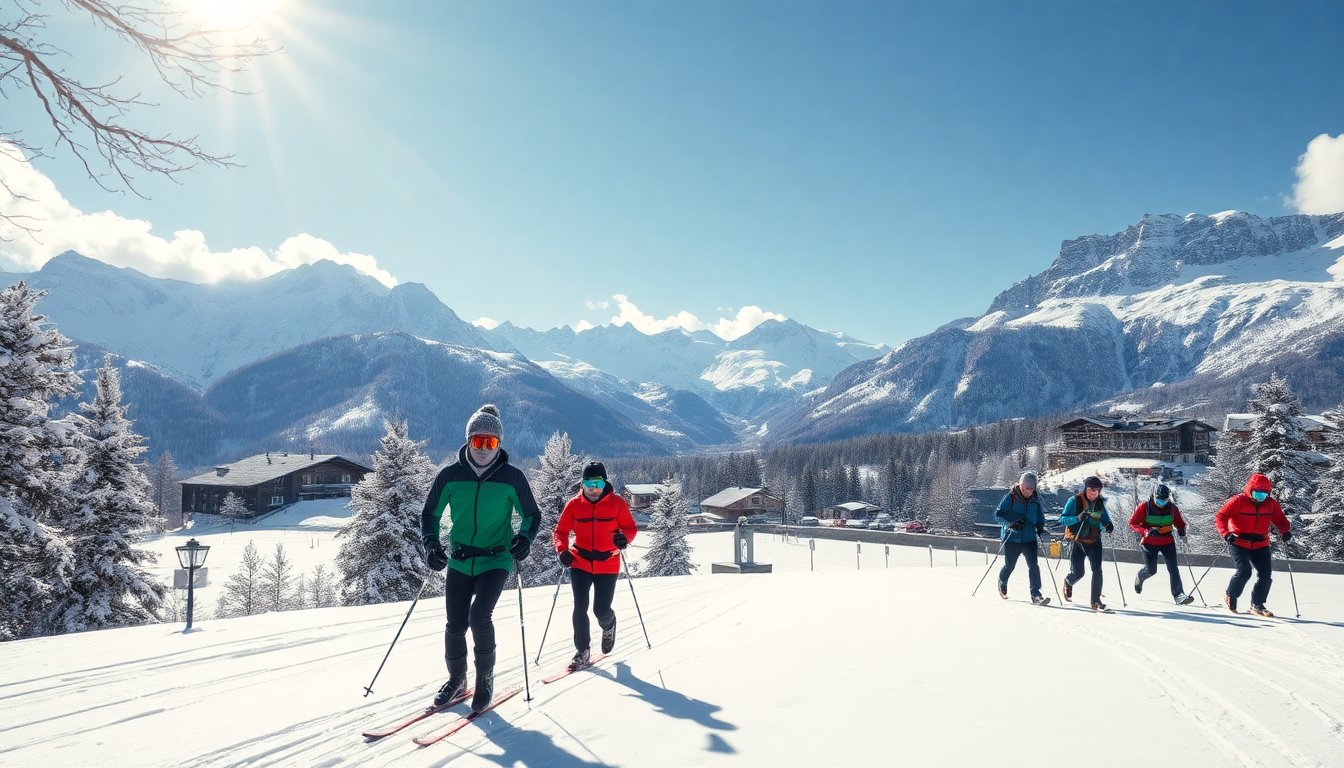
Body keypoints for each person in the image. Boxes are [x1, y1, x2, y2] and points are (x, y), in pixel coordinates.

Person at [421, 404, 540, 712]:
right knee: (455, 624)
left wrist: (524, 539)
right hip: (460, 560)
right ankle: (457, 679)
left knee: (479, 617)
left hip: (496, 560)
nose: (484, 449)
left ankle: (484, 679)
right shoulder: (450, 475)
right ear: (468, 441)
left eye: (491, 442)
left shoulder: (512, 478)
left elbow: (531, 514)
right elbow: (430, 514)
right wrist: (431, 544)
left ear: (499, 443)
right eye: (478, 441)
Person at [553, 461, 637, 670]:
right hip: (579, 561)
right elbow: (560, 532)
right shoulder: (573, 505)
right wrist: (562, 550)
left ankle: (609, 625)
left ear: (605, 483)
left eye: (598, 484)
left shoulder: (617, 503)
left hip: (607, 563)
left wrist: (623, 539)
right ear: (581, 484)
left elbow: (630, 528)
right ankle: (582, 651)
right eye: (588, 484)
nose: (593, 489)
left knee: (601, 609)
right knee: (579, 607)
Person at [1214, 473, 1292, 617]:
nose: (1260, 498)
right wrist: (1226, 533)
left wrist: (1285, 530)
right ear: (1250, 490)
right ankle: (1230, 595)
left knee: (1265, 575)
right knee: (1244, 571)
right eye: (1257, 494)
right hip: (1238, 541)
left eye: (1263, 495)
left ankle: (1257, 604)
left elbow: (1281, 520)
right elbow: (1220, 517)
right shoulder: (1238, 501)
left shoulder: (1271, 504)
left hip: (1260, 543)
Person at [1129, 483, 1194, 605]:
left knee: (1173, 568)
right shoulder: (1144, 507)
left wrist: (1182, 532)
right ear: (1153, 496)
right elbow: (1132, 523)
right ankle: (1140, 576)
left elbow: (1180, 523)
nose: (1161, 502)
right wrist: (1145, 531)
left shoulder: (1172, 508)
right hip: (1149, 542)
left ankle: (1178, 595)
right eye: (1158, 499)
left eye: (1164, 500)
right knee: (1151, 570)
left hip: (1167, 541)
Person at [1059, 475, 1115, 612]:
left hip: (1094, 540)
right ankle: (1068, 581)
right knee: (1079, 573)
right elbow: (1062, 519)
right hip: (1077, 540)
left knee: (1097, 570)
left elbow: (1105, 520)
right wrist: (1077, 518)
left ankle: (1096, 600)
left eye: (1097, 490)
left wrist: (1108, 525)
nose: (1094, 492)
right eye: (1091, 489)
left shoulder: (1100, 504)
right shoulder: (1074, 501)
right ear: (1085, 489)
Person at [993, 471, 1049, 605]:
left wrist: (1040, 526)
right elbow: (998, 515)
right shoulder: (1010, 497)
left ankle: (1036, 594)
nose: (1028, 491)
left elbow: (1039, 515)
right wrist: (1010, 524)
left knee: (1033, 566)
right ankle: (1002, 581)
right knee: (1010, 565)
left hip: (1029, 537)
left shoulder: (1035, 499)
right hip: (1012, 538)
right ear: (1021, 485)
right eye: (1026, 488)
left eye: (1031, 488)